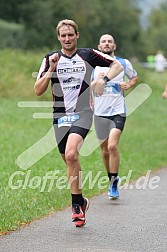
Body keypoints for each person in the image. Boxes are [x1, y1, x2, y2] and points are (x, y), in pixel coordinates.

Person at [34, 20, 123, 227]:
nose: (67, 39)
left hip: (83, 113)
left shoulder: (88, 54)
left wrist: (104, 80)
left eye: (70, 35)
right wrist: (51, 70)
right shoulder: (50, 58)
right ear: (58, 37)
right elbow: (37, 90)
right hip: (59, 117)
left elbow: (116, 65)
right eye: (63, 36)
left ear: (77, 35)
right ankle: (81, 201)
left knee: (73, 154)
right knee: (69, 160)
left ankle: (75, 207)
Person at [91, 34, 138, 200]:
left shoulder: (123, 63)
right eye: (103, 41)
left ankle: (113, 183)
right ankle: (112, 178)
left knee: (112, 146)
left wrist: (128, 85)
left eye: (109, 41)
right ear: (99, 46)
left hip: (118, 111)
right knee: (104, 151)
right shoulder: (93, 66)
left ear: (114, 46)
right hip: (100, 113)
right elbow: (88, 88)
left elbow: (134, 77)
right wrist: (96, 82)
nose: (106, 43)